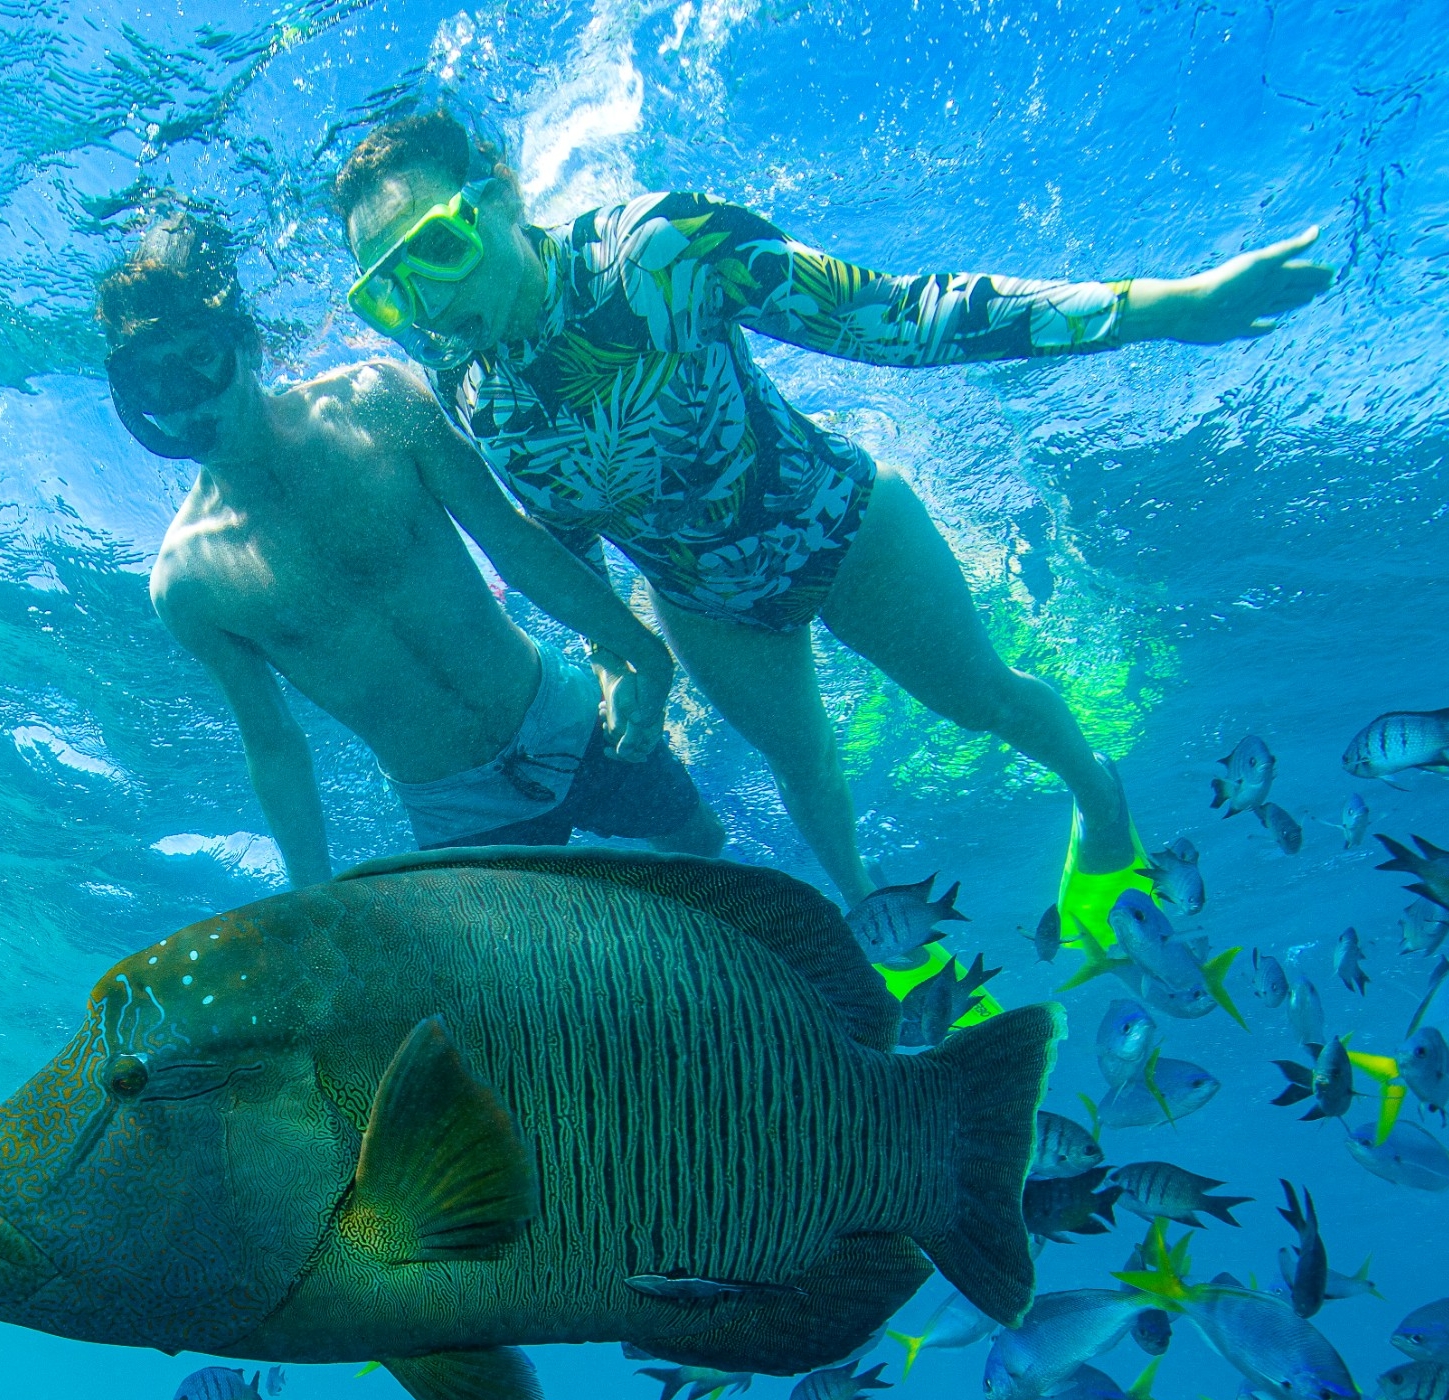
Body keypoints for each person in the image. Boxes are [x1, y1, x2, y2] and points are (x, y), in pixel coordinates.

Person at [328, 113, 1333, 941]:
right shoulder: (468, 389)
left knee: (982, 698)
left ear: (498, 194)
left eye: (439, 249)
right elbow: (561, 528)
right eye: (388, 289)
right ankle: (880, 933)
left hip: (842, 527)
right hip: (704, 606)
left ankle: (1100, 799)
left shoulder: (659, 253)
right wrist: (617, 656)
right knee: (804, 773)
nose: (429, 300)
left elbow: (898, 315)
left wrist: (1161, 307)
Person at [95, 208, 723, 886]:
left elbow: (515, 543)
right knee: (539, 985)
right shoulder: (188, 581)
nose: (187, 403)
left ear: (245, 343)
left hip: (565, 717)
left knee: (704, 856)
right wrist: (313, 893)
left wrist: (641, 651)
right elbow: (273, 744)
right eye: (156, 381)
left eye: (198, 359)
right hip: (457, 811)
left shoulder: (376, 401)